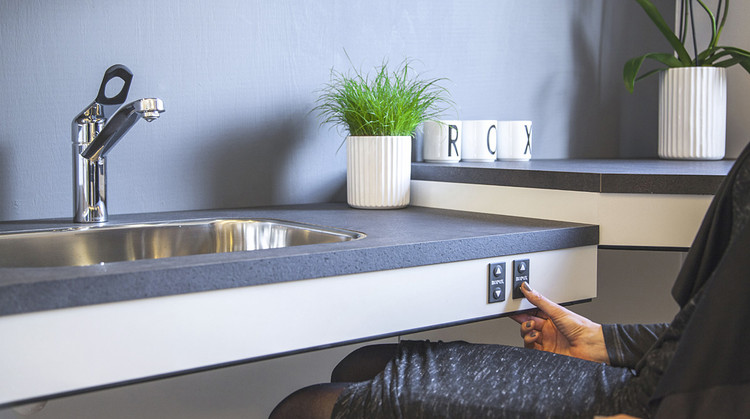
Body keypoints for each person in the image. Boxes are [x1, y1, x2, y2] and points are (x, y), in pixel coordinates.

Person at [271, 142, 750, 419]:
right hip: (651, 381)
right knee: (361, 362)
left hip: (657, 406)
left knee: (304, 407)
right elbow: (722, 334)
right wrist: (604, 340)